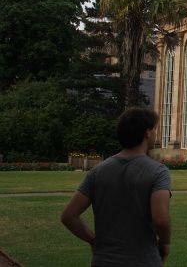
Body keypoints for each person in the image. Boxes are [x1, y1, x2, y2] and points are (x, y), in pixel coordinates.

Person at [60, 108, 172, 266]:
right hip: (143, 260)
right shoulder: (158, 171)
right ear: (147, 133)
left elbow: (68, 216)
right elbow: (160, 219)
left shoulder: (98, 171)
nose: (155, 133)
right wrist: (165, 244)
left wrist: (93, 240)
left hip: (103, 260)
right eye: (154, 129)